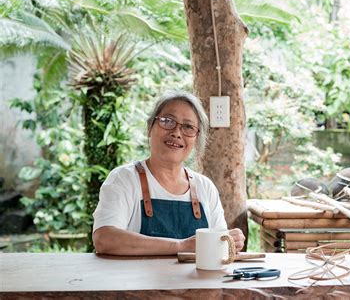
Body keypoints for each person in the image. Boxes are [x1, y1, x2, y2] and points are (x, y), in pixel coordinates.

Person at [92, 91, 245, 255]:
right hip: (137, 281)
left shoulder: (205, 187)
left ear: (196, 138)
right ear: (150, 127)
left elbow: (219, 246)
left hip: (198, 281)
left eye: (188, 127)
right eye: (167, 121)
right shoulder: (124, 179)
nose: (177, 133)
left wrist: (231, 241)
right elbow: (104, 238)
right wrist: (181, 246)